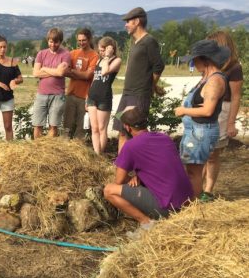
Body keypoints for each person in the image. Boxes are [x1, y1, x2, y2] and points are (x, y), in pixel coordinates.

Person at [104, 107, 193, 233]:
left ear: (127, 127)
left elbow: (119, 180)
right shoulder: (164, 137)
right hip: (187, 202)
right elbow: (161, 165)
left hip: (169, 207)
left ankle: (146, 223)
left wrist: (132, 178)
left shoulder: (131, 146)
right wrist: (139, 176)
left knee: (109, 190)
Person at [174, 39, 229, 198]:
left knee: (194, 172)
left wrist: (184, 110)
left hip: (201, 132)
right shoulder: (207, 77)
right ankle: (190, 199)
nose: (193, 62)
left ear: (206, 59)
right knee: (191, 170)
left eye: (195, 59)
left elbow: (207, 110)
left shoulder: (215, 81)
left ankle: (192, 204)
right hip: (195, 131)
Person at [112, 7, 165, 152]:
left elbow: (158, 65)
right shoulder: (135, 43)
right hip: (127, 94)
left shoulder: (149, 41)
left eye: (128, 21)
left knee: (136, 133)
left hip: (139, 95)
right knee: (122, 130)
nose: (126, 24)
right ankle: (121, 166)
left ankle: (140, 169)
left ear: (137, 21)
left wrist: (151, 86)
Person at [201, 31, 244, 201]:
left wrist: (231, 123)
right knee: (202, 152)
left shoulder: (234, 67)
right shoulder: (209, 65)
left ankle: (208, 190)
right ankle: (196, 186)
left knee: (212, 154)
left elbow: (235, 97)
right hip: (206, 109)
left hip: (222, 112)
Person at [32, 28, 71, 138]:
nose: (53, 44)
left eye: (56, 42)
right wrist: (55, 71)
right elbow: (35, 73)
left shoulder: (66, 54)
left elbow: (60, 72)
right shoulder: (41, 54)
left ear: (60, 41)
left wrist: (44, 68)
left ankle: (48, 149)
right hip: (41, 94)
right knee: (37, 124)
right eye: (50, 41)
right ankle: (38, 149)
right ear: (47, 40)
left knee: (53, 126)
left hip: (57, 95)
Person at [87, 36, 122, 154]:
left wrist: (107, 56)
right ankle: (96, 154)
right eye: (99, 50)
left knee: (102, 129)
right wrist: (88, 96)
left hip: (104, 98)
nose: (100, 52)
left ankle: (100, 154)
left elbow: (105, 71)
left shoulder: (116, 60)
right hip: (93, 96)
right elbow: (95, 78)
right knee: (94, 128)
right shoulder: (99, 60)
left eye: (103, 50)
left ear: (110, 48)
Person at [63, 28, 99, 140]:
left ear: (89, 39)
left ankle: (78, 151)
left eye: (84, 40)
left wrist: (73, 71)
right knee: (67, 126)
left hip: (85, 96)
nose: (81, 42)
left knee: (81, 127)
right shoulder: (73, 53)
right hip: (71, 94)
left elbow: (88, 76)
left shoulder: (94, 55)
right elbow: (65, 71)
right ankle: (64, 149)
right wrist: (80, 74)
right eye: (79, 40)